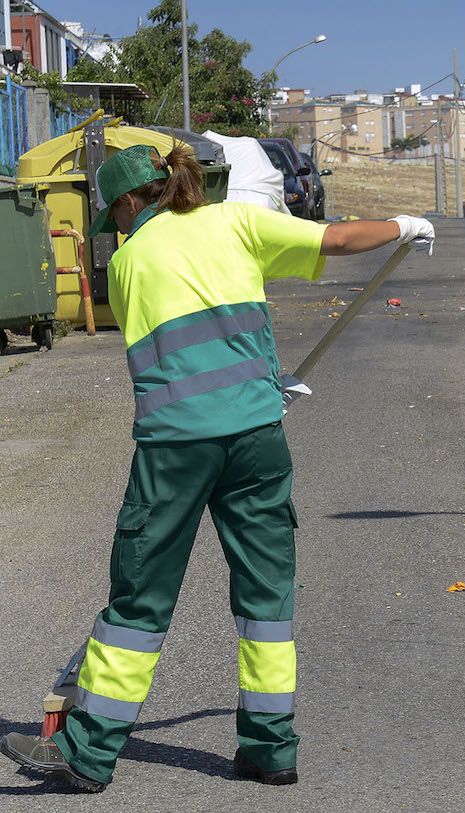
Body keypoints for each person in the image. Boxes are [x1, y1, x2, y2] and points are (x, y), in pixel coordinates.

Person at [0, 143, 435, 792]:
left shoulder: (127, 262)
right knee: (267, 600)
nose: (111, 232)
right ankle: (271, 748)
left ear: (128, 202)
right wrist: (405, 224)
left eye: (111, 217)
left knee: (141, 596)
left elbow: (169, 359)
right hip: (258, 437)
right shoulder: (237, 221)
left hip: (176, 449)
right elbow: (339, 239)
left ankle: (87, 754)